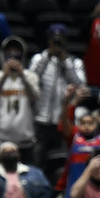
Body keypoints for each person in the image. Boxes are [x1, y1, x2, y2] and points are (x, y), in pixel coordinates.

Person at [29, 24, 87, 162]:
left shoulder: (74, 62)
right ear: (48, 40)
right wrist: (47, 56)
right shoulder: (38, 59)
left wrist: (65, 61)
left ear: (65, 41)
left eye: (60, 40)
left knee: (60, 159)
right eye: (54, 40)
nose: (56, 43)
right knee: (37, 159)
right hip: (40, 119)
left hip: (62, 121)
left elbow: (80, 85)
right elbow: (31, 80)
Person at [0, 37, 41, 161]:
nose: (13, 58)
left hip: (24, 138)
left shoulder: (31, 77)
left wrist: (23, 76)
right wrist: (4, 76)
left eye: (17, 54)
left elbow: (35, 97)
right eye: (10, 54)